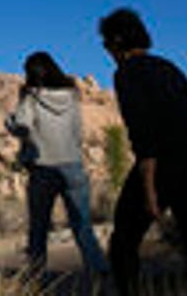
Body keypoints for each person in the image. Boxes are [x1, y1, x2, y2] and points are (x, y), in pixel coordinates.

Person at [100, 8, 187, 296]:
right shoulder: (171, 69)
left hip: (158, 168)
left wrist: (149, 188)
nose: (106, 51)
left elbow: (143, 133)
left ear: (117, 41)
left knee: (124, 241)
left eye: (106, 43)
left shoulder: (127, 73)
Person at [6, 51, 111, 279]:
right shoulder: (71, 95)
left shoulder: (31, 97)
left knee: (39, 227)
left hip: (43, 167)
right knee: (82, 224)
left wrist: (9, 121)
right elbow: (77, 131)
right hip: (73, 165)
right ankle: (99, 269)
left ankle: (37, 276)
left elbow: (22, 127)